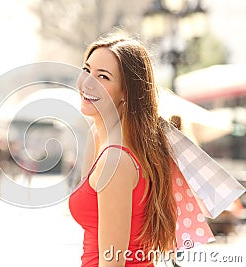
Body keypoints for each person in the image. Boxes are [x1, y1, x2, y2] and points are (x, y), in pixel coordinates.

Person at [69, 34, 177, 267]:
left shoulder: (116, 161)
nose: (87, 83)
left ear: (126, 92)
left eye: (103, 77)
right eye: (86, 70)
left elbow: (113, 262)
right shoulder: (97, 137)